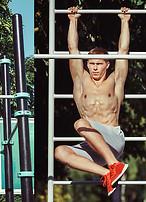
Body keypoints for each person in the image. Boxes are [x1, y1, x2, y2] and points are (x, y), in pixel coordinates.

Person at [52, 6, 131, 196]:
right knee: (60, 152)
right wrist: (73, 20)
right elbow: (73, 49)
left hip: (112, 139)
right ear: (87, 64)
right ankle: (108, 173)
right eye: (92, 63)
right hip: (93, 145)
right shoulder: (81, 81)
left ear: (107, 65)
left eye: (99, 64)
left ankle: (114, 164)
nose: (95, 68)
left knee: (80, 123)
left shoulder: (115, 81)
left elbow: (124, 50)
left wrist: (125, 21)